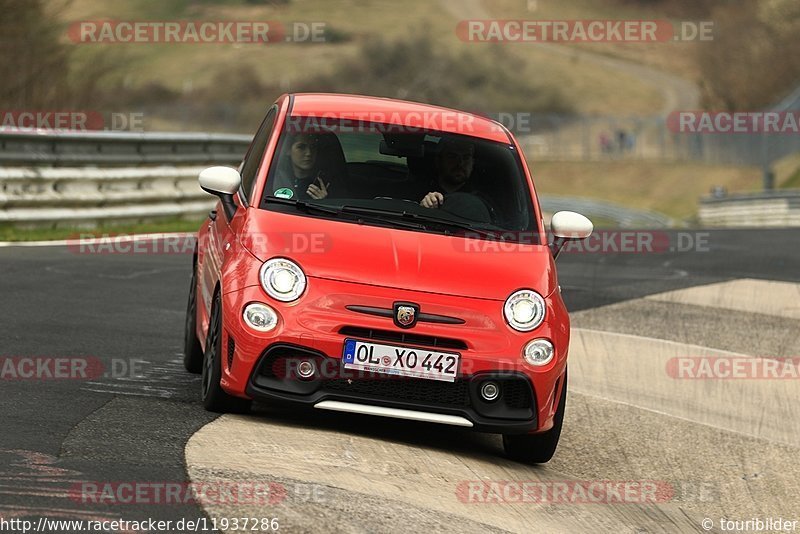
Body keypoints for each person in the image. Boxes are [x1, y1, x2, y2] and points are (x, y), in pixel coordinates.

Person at [270, 133, 332, 201]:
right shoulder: (273, 180)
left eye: (313, 147)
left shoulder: (327, 183)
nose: (309, 153)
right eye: (301, 147)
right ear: (288, 150)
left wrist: (324, 202)